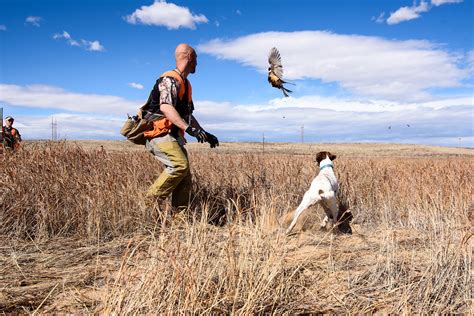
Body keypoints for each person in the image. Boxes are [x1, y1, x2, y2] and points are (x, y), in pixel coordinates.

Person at [144, 43, 219, 211]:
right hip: (159, 134)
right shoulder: (169, 79)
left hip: (173, 136)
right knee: (179, 165)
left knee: (185, 179)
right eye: (197, 58)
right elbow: (166, 107)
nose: (198, 63)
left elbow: (188, 116)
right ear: (190, 57)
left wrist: (205, 134)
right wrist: (189, 128)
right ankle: (148, 204)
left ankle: (179, 221)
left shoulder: (186, 84)